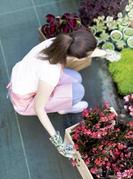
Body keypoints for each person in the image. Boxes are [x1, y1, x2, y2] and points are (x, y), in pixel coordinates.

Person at [7, 30, 106, 158]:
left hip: (28, 78)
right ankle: (63, 108)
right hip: (25, 100)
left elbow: (86, 52)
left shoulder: (60, 42)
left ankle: (62, 103)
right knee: (78, 91)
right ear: (76, 57)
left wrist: (106, 53)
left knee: (76, 78)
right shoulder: (51, 72)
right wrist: (59, 144)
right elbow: (39, 108)